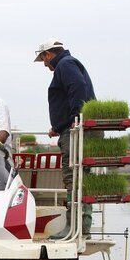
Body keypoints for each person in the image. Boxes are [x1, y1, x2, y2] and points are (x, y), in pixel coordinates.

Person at [34, 39, 96, 237]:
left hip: (76, 129)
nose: (45, 65)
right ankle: (81, 225)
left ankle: (75, 226)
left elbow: (77, 87)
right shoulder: (67, 64)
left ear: (48, 54)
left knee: (74, 176)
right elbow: (70, 94)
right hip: (70, 128)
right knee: (79, 176)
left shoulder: (65, 64)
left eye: (43, 59)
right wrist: (58, 127)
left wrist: (75, 118)